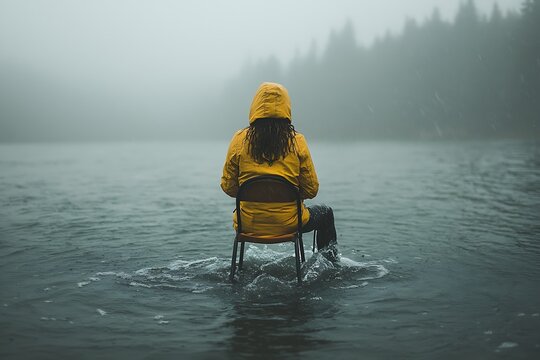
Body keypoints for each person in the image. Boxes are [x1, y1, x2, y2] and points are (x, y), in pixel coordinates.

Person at [220, 82, 337, 258]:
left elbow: (228, 187)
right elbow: (311, 190)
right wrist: (293, 195)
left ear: (255, 108)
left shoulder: (239, 140)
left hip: (248, 223)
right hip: (290, 223)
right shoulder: (297, 142)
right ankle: (330, 267)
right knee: (326, 214)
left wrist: (255, 195)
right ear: (286, 108)